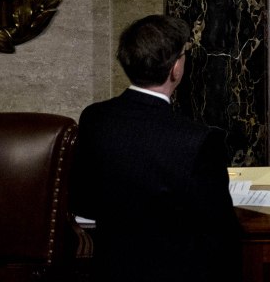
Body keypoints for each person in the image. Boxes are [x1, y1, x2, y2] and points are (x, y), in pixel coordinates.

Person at [71, 15, 241, 282]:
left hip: (108, 270)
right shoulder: (198, 140)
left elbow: (84, 204)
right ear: (175, 69)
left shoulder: (94, 117)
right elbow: (221, 234)